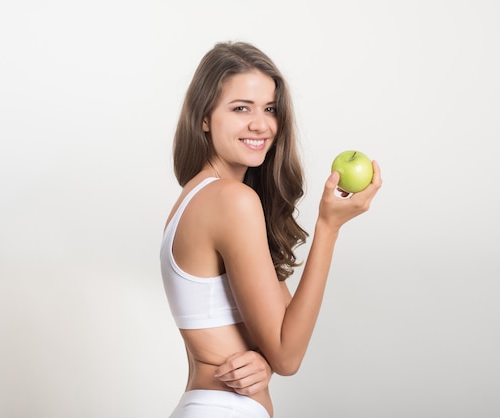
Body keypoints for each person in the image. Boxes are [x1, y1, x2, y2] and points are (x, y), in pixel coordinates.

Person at [160, 41, 382, 418]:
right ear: (204, 117)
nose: (261, 124)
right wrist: (328, 227)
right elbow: (288, 353)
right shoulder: (231, 201)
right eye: (240, 108)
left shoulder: (196, 197)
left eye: (270, 109)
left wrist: (261, 359)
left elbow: (275, 337)